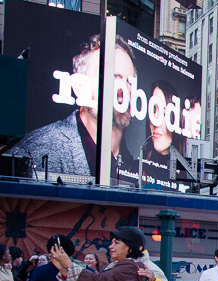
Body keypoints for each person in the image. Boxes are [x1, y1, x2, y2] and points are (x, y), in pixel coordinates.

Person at [10, 35, 137, 178]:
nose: (124, 90)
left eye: (130, 82)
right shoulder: (33, 151)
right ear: (79, 87)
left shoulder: (137, 162)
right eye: (114, 77)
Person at [139, 81, 187, 189]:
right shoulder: (134, 169)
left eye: (164, 113)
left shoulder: (188, 178)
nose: (156, 120)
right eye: (153, 110)